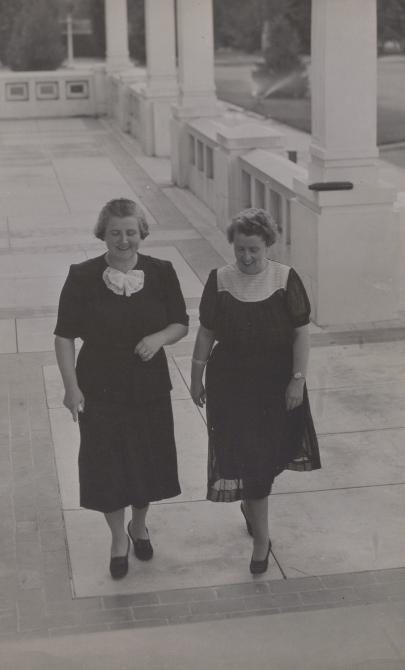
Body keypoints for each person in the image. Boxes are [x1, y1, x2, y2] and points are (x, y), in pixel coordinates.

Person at [54, 198, 188, 579]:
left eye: (131, 232)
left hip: (148, 387)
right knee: (107, 466)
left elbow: (181, 322)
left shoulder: (162, 272)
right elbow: (64, 336)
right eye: (115, 233)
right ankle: (118, 538)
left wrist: (160, 337)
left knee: (146, 462)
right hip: (100, 387)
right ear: (103, 235)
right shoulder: (81, 276)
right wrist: (71, 387)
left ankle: (139, 525)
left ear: (142, 233)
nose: (124, 240)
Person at [190, 208, 320, 575]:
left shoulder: (285, 278)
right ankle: (262, 540)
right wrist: (196, 377)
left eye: (254, 251)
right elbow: (206, 332)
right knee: (250, 461)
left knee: (267, 459)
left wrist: (298, 378)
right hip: (230, 386)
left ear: (268, 246)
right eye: (241, 250)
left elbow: (300, 332)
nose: (247, 257)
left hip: (276, 386)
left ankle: (251, 505)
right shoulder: (219, 280)